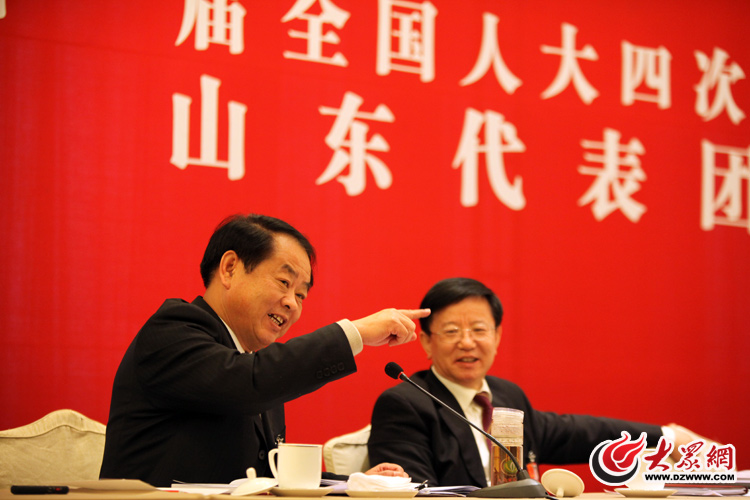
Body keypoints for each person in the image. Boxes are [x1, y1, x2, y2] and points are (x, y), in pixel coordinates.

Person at [100, 214, 430, 486]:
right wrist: (354, 333)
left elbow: (268, 476)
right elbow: (248, 383)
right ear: (230, 268)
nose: (292, 303)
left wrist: (355, 482)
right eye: (284, 283)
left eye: (301, 295)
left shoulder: (256, 367)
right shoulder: (172, 330)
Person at [368, 277, 711, 487]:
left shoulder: (506, 396)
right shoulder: (406, 404)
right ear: (427, 342)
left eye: (479, 330)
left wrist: (666, 437)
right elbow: (414, 492)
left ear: (497, 336)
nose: (467, 342)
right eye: (452, 331)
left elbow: (575, 433)